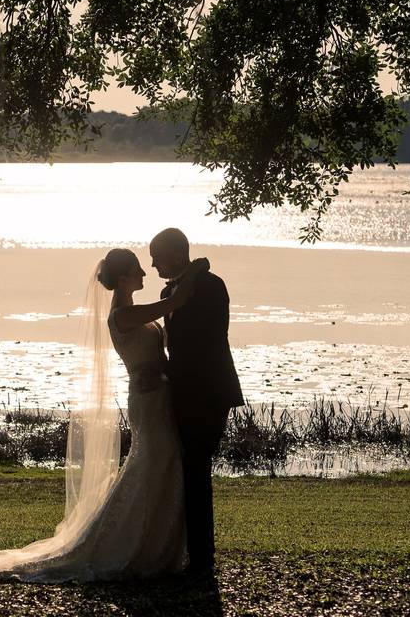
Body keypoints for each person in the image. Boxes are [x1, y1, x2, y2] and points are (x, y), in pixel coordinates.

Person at [0, 248, 209, 582]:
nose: (145, 273)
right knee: (151, 461)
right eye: (137, 270)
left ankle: (156, 544)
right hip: (146, 401)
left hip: (158, 397)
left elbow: (163, 340)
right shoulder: (121, 315)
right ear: (122, 279)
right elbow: (175, 303)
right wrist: (195, 269)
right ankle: (124, 543)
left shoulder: (136, 312)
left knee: (161, 462)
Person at [151, 228, 244, 575]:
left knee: (197, 470)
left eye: (156, 256)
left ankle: (203, 558)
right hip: (181, 393)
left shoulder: (210, 285)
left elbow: (208, 339)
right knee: (189, 470)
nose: (153, 264)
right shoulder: (167, 292)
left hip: (209, 391)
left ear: (176, 254)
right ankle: (193, 553)